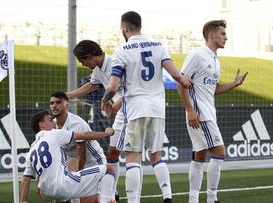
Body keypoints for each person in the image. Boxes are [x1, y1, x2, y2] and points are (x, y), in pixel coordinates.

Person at [102, 11, 193, 203]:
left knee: (133, 157)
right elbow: (176, 75)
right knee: (156, 155)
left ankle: (133, 200)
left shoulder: (122, 51)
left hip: (136, 110)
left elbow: (112, 87)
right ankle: (167, 196)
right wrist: (185, 80)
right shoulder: (159, 46)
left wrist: (105, 100)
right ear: (140, 26)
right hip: (158, 109)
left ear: (124, 28)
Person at [177, 20, 248, 203]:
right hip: (200, 115)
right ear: (211, 34)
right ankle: (212, 198)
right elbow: (181, 82)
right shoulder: (198, 55)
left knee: (200, 155)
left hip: (207, 113)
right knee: (219, 153)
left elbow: (214, 89)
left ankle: (193, 199)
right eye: (223, 33)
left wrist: (234, 83)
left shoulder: (216, 61)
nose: (226, 37)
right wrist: (190, 110)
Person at [21, 91, 107, 203]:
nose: (54, 106)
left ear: (67, 104)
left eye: (58, 102)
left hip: (94, 161)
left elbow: (82, 156)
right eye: (52, 103)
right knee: (66, 194)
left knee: (86, 199)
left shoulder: (76, 124)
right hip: (75, 162)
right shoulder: (53, 128)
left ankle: (109, 196)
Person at [67, 40, 125, 202]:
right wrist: (69, 95)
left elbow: (130, 88)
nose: (83, 65)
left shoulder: (115, 63)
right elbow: (91, 86)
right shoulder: (98, 69)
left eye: (82, 61)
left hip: (132, 110)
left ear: (90, 56)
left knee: (137, 155)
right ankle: (111, 195)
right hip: (122, 114)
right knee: (113, 152)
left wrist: (114, 104)